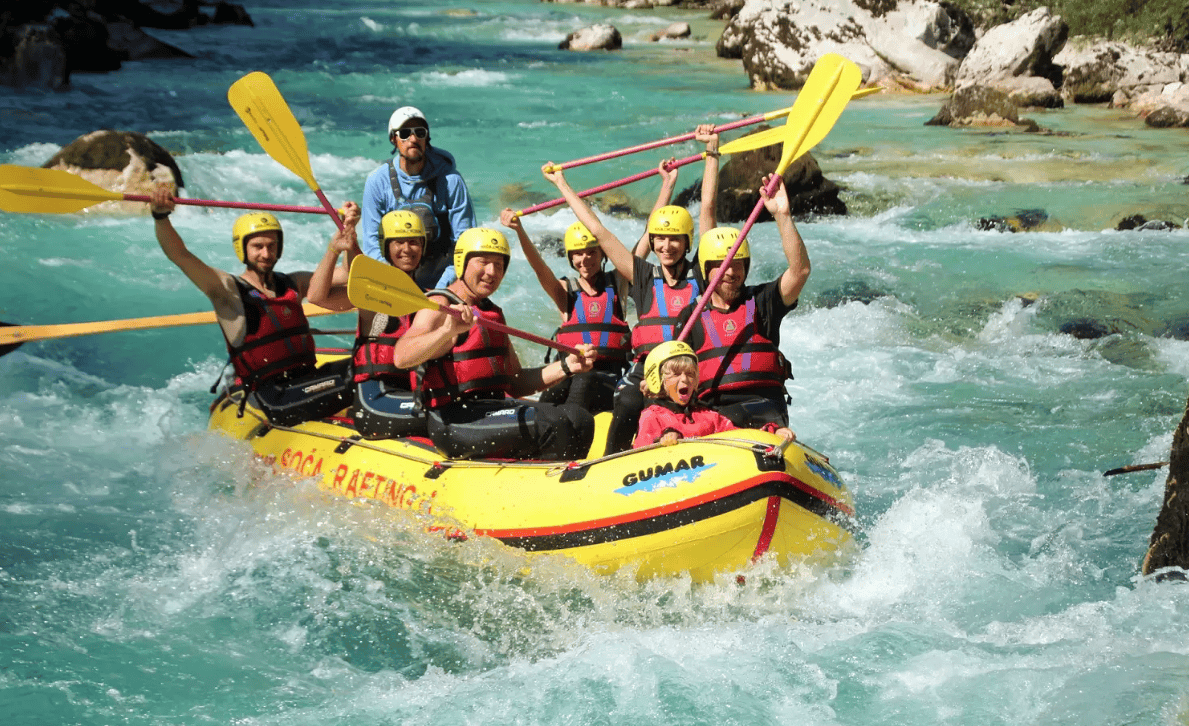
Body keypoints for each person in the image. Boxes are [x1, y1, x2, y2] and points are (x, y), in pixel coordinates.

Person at [542, 125, 720, 452]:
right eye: (660, 240)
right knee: (626, 401)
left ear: (688, 242)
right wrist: (562, 184)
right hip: (647, 371)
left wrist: (711, 153)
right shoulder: (642, 278)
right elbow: (599, 230)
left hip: (686, 372)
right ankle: (613, 463)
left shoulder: (702, 274)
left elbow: (707, 209)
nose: (666, 246)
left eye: (675, 239)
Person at [148, 185, 356, 425]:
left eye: (272, 246)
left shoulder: (293, 283)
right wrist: (160, 217)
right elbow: (180, 255)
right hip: (276, 397)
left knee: (364, 364)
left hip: (308, 380)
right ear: (243, 249)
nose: (266, 254)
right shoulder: (227, 291)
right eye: (258, 246)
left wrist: (347, 229)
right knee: (354, 377)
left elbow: (349, 274)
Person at [391, 228, 598, 460]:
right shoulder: (439, 305)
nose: (492, 272)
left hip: (491, 410)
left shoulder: (490, 313)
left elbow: (517, 383)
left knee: (580, 419)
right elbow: (402, 357)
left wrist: (567, 366)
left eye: (499, 265)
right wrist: (447, 331)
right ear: (462, 262)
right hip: (452, 420)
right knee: (554, 422)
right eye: (484, 262)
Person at [678, 173, 808, 430]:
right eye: (721, 266)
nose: (730, 272)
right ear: (705, 270)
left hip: (764, 407)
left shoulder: (762, 301)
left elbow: (800, 271)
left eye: (737, 265)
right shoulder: (690, 316)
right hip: (712, 412)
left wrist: (782, 215)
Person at [308, 210, 428, 439]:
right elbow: (316, 297)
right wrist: (335, 249)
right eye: (399, 242)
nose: (407, 249)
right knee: (441, 410)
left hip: (410, 391)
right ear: (386, 247)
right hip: (374, 397)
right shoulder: (372, 294)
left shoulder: (428, 298)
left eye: (413, 242)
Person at [499, 210, 630, 414]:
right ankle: (543, 427)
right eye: (578, 253)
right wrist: (520, 230)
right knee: (559, 386)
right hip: (573, 374)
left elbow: (645, 243)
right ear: (570, 257)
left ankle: (571, 432)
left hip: (611, 381)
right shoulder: (565, 292)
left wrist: (667, 185)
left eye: (591, 252)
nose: (584, 259)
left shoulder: (619, 282)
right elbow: (540, 269)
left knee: (583, 379)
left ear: (603, 253)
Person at [360, 106, 476, 289]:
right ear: (393, 139)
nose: (413, 139)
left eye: (420, 132)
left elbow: (465, 243)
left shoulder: (451, 181)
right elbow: (371, 245)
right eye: (405, 133)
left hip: (444, 282)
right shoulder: (377, 182)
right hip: (393, 282)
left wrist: (440, 290)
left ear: (426, 138)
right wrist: (398, 285)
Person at [634, 341, 794, 448]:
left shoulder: (709, 416)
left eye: (690, 374)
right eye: (676, 374)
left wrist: (772, 431)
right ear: (660, 380)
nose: (684, 379)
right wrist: (661, 440)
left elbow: (740, 437)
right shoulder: (651, 416)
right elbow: (639, 458)